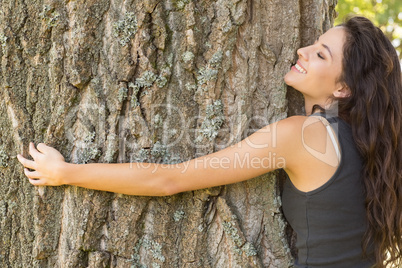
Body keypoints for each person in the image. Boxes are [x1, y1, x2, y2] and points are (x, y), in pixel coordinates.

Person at [17, 16, 401, 267]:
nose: (302, 50)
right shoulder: (367, 147)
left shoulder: (303, 135)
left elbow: (170, 180)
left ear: (344, 87)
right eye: (314, 42)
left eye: (320, 54)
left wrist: (65, 172)